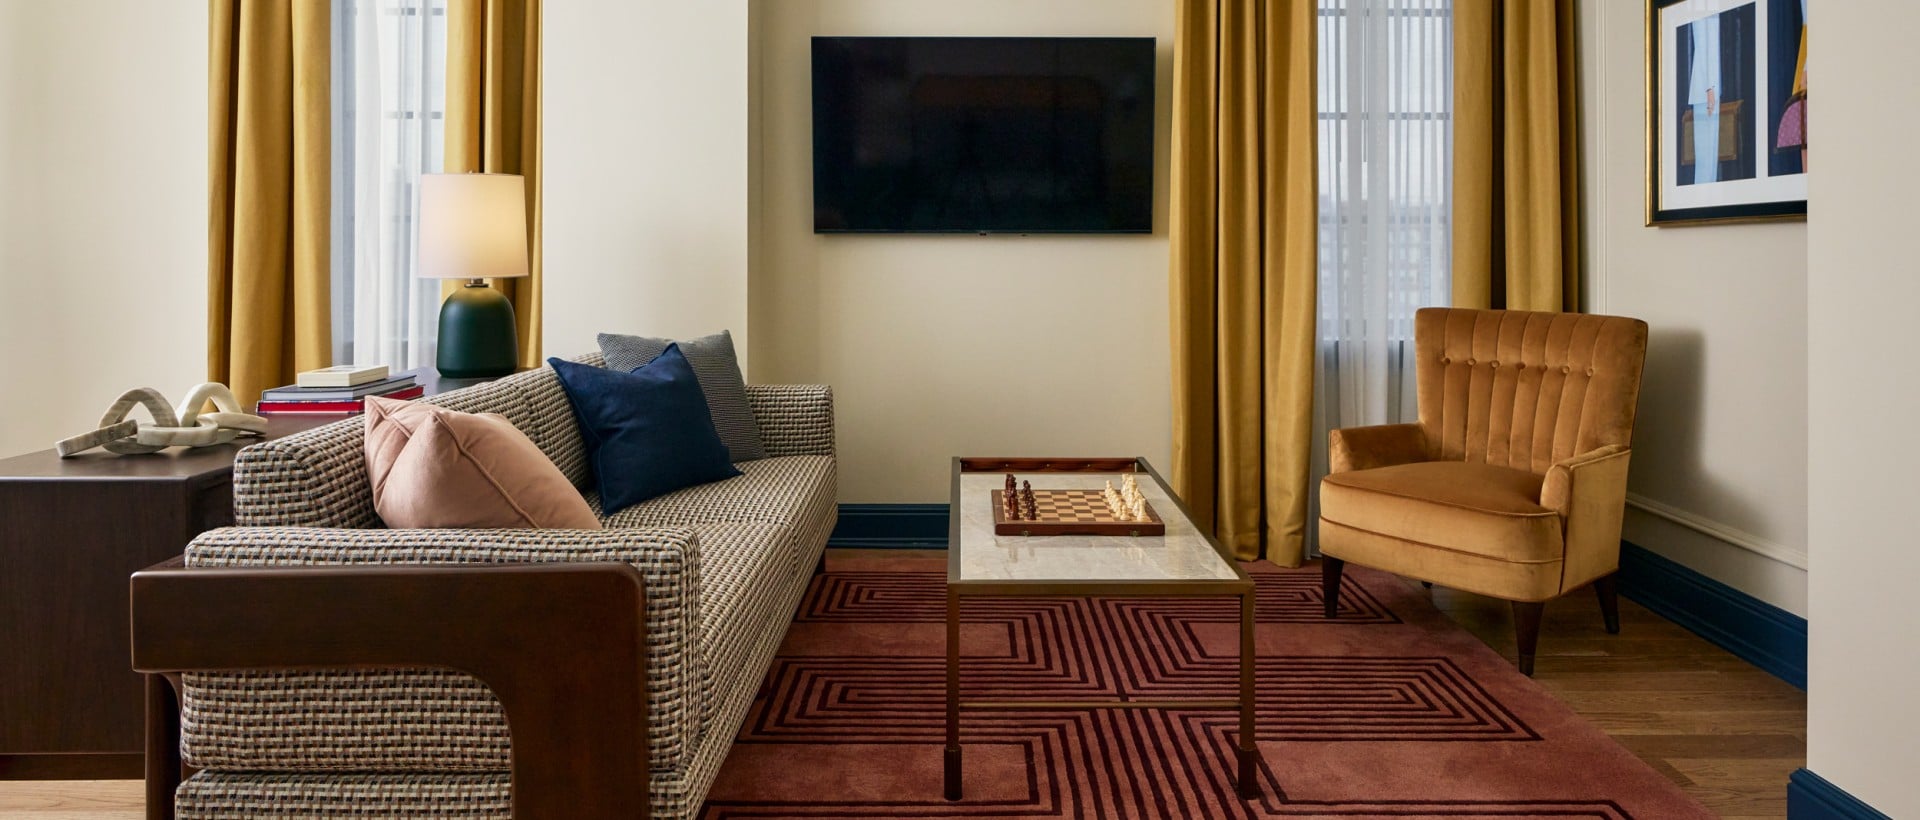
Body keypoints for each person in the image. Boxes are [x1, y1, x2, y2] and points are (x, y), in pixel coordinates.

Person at [1687, 13, 1723, 185]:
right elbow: (1702, 42)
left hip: (1710, 87)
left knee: (1709, 156)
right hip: (1706, 89)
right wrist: (1709, 87)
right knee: (1705, 157)